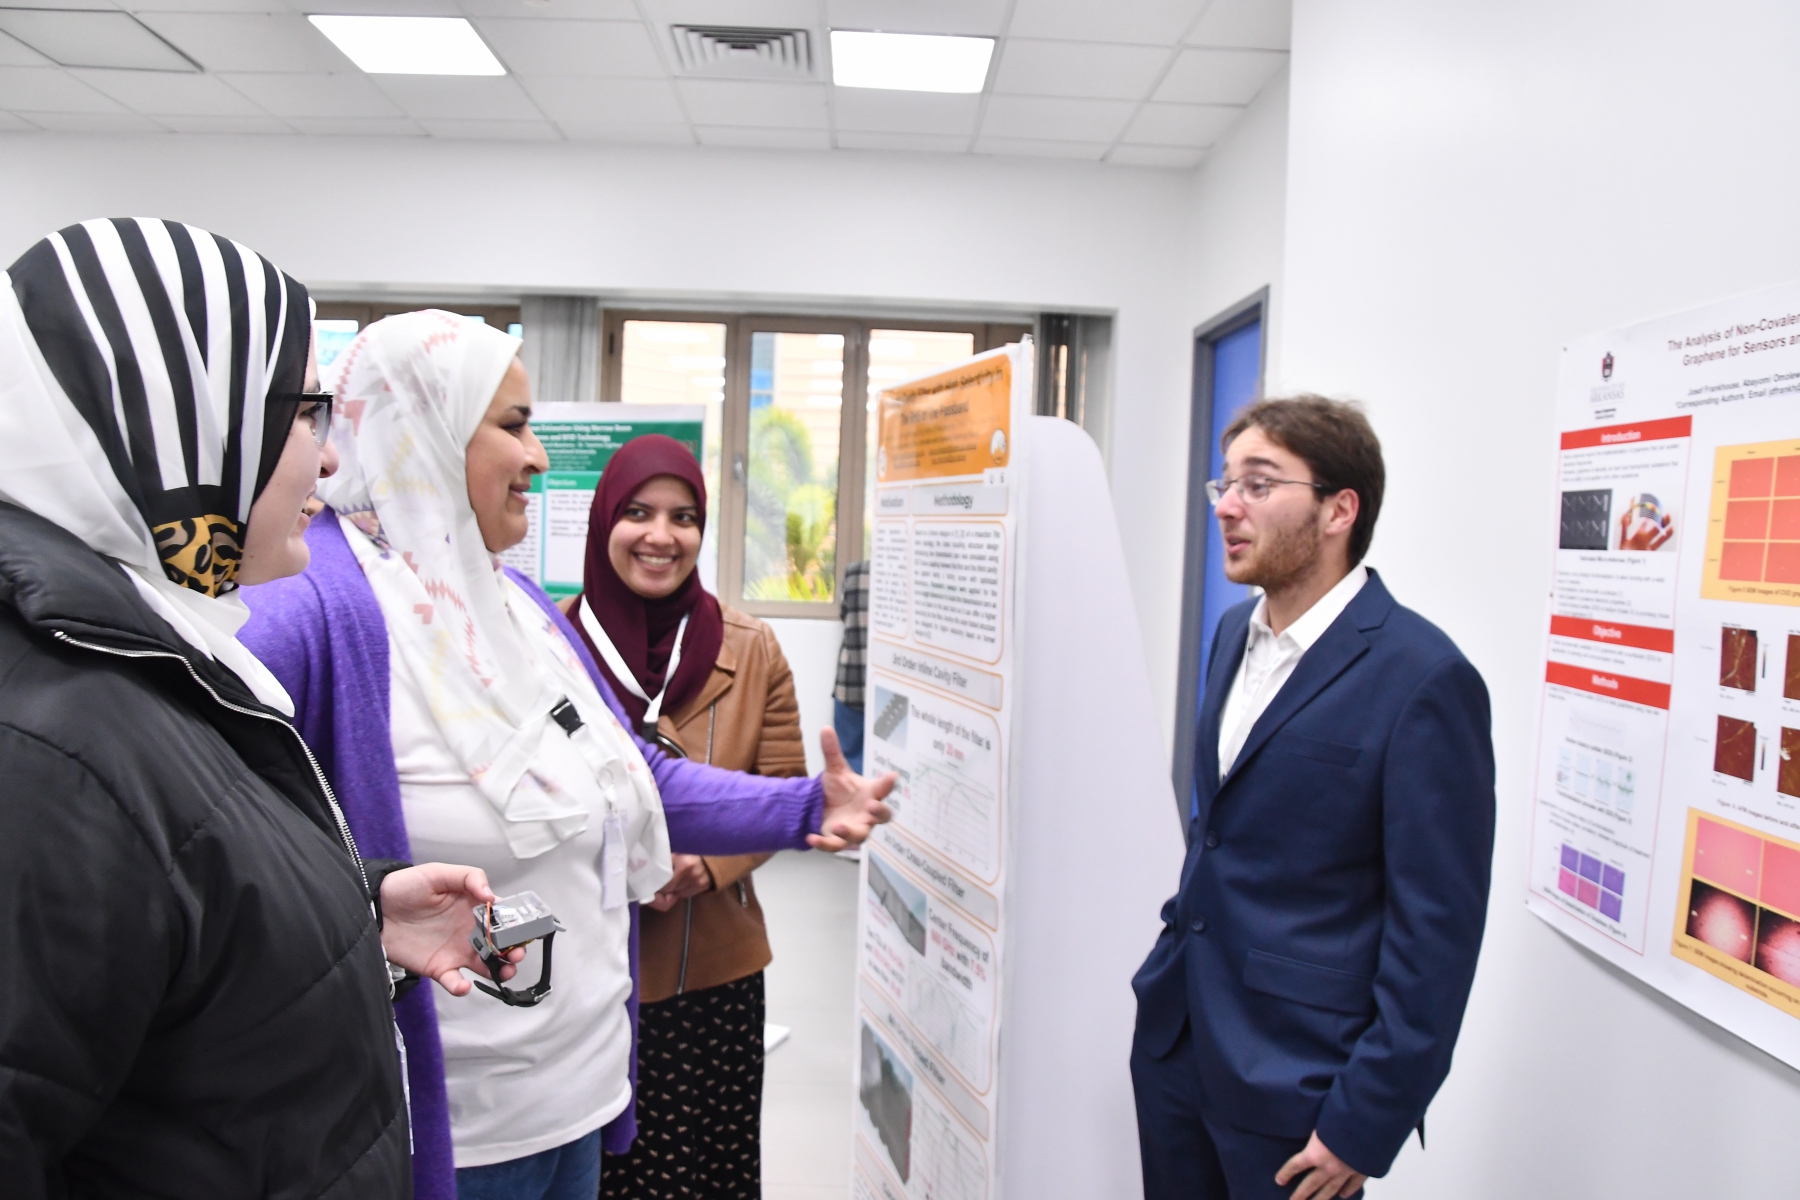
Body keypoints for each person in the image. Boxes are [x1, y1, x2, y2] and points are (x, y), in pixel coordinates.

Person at [239, 312, 893, 1200]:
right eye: (512, 425)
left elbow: (631, 778)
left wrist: (806, 805)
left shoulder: (514, 602)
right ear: (425, 426)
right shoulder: (308, 610)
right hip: (447, 1135)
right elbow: (235, 867)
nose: (538, 457)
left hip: (576, 1098)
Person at [0, 219, 519, 1198]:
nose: (328, 461)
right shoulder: (49, 739)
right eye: (301, 414)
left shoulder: (147, 643)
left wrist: (355, 910)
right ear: (171, 421)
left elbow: (168, 908)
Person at [1131, 396, 1495, 1200]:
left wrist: (1367, 1119)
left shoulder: (1423, 679)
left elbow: (1436, 934)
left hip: (1298, 1086)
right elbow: (1222, 832)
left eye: (1258, 485)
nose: (1227, 506)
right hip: (1178, 1045)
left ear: (1339, 510)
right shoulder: (1234, 634)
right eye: (1225, 483)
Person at [558, 434, 804, 1197]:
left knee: (711, 1172)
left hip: (714, 975)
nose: (661, 536)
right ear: (605, 521)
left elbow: (782, 784)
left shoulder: (751, 649)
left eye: (683, 517)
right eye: (637, 512)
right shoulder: (551, 645)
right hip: (588, 970)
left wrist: (711, 861)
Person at [833, 558, 870, 773]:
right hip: (890, 693)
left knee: (847, 765)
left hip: (850, 684)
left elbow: (843, 613)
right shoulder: (906, 576)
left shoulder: (853, 572)